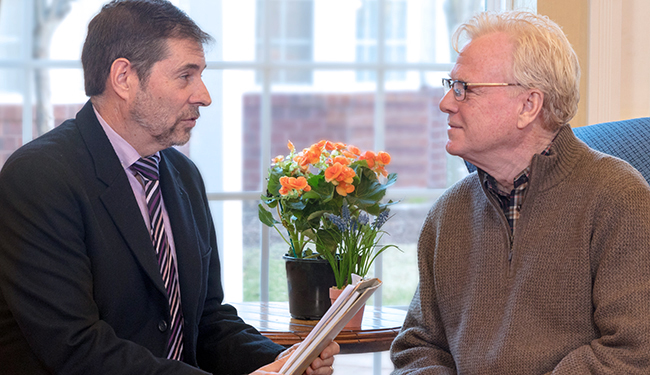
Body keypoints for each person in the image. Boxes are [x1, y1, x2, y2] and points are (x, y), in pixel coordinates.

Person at [0, 0, 338, 374]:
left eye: (201, 75)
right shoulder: (39, 177)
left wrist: (279, 360)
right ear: (124, 78)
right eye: (185, 76)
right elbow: (75, 346)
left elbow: (208, 320)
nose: (204, 95)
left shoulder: (183, 175)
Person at [390, 11, 650, 375]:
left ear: (529, 105)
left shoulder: (619, 199)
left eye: (465, 87)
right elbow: (417, 346)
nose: (446, 102)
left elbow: (635, 352)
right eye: (451, 85)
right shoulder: (449, 213)